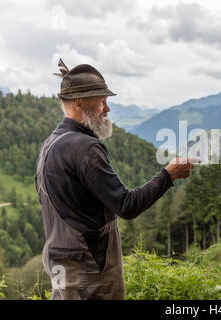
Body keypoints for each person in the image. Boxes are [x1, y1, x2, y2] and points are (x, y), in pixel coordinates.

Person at [35, 59, 197, 300]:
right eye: (101, 101)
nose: (107, 108)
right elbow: (126, 205)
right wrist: (169, 174)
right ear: (79, 103)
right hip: (90, 271)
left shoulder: (50, 144)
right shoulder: (86, 148)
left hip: (62, 267)